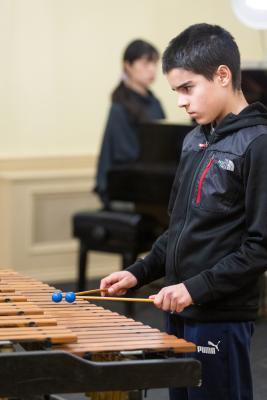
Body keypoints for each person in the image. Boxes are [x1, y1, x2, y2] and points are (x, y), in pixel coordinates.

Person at [100, 23, 267, 400]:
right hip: (179, 312)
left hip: (219, 318)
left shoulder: (258, 144)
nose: (180, 101)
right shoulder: (194, 140)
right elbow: (176, 230)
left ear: (222, 75)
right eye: (176, 91)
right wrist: (137, 271)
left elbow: (260, 246)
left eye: (187, 88)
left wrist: (195, 289)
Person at [94, 39, 165, 208]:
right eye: (146, 63)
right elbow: (127, 155)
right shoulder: (119, 107)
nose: (152, 69)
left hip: (148, 181)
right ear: (128, 66)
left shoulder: (154, 102)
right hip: (125, 188)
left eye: (154, 63)